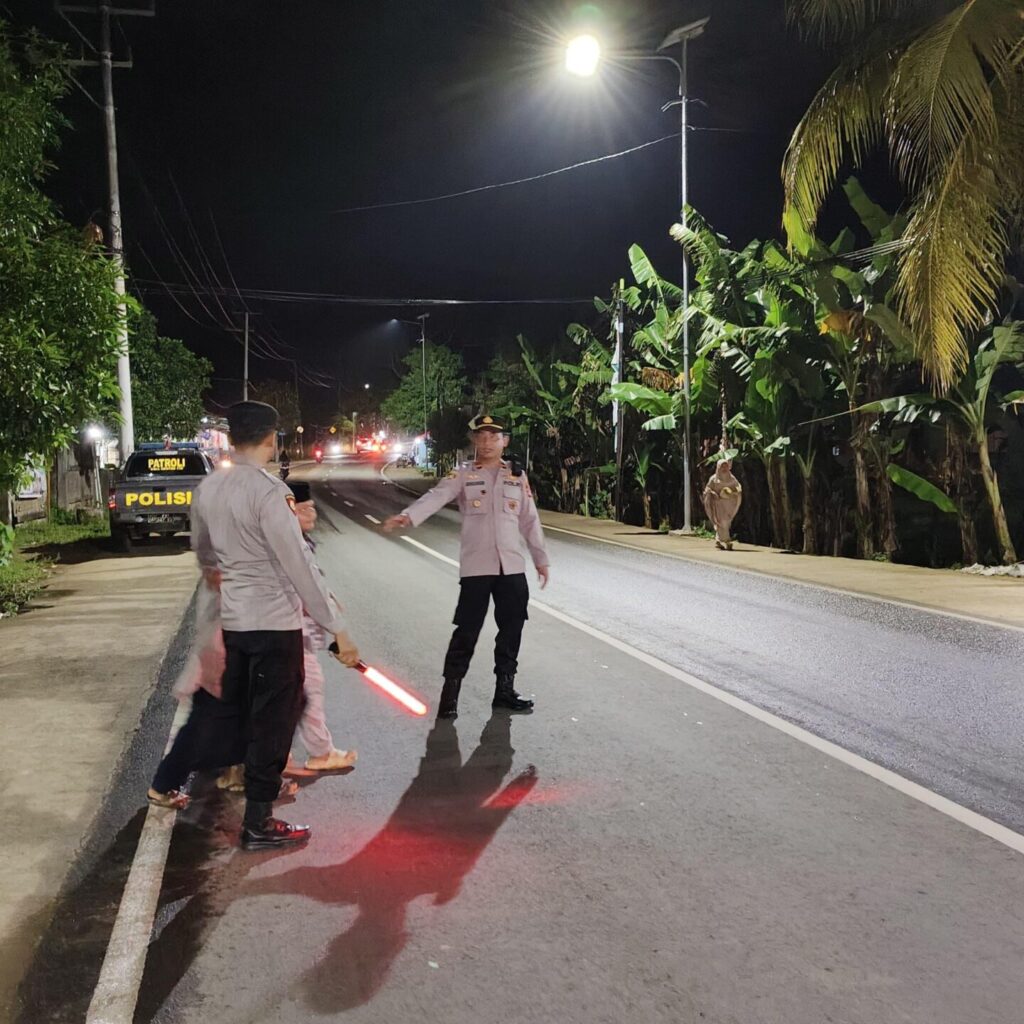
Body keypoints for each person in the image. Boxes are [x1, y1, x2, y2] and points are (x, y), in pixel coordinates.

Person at [188, 401, 360, 850]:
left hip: (237, 623)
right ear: (271, 438)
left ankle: (249, 796)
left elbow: (205, 555)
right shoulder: (269, 493)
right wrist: (336, 627)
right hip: (275, 625)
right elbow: (298, 563)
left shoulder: (210, 490)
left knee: (251, 714)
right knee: (274, 722)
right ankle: (259, 823)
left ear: (228, 438)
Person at [383, 414, 550, 721]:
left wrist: (541, 560)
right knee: (467, 631)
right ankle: (450, 694)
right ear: (474, 440)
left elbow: (530, 520)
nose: (487, 442)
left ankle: (504, 691)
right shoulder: (462, 474)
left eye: (493, 437)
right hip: (477, 568)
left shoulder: (516, 476)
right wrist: (409, 516)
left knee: (512, 630)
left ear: (505, 441)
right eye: (481, 437)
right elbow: (437, 496)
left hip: (511, 567)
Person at [702, 457, 743, 550]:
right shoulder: (713, 479)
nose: (724, 469)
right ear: (718, 467)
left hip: (729, 504)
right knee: (722, 522)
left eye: (726, 466)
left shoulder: (732, 478)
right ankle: (727, 541)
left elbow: (738, 487)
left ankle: (718, 540)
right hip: (718, 505)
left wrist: (733, 492)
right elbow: (707, 489)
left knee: (726, 522)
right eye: (722, 466)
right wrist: (713, 493)